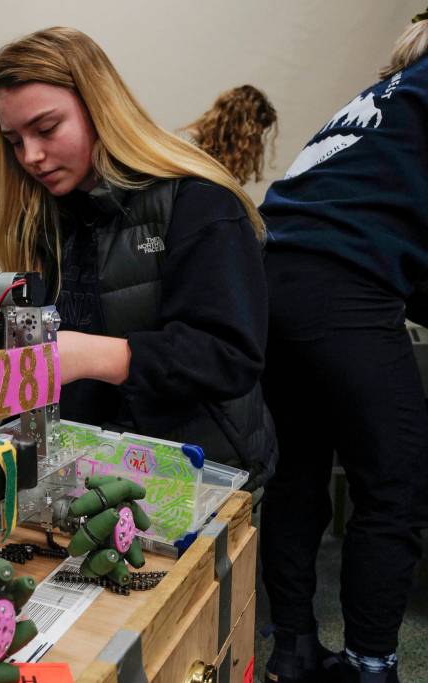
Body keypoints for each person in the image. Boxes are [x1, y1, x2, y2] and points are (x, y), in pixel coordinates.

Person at [0, 27, 277, 491]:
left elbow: (228, 357)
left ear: (100, 106)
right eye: (15, 141)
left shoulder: (198, 202)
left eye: (46, 129)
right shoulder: (45, 219)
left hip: (201, 477)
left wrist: (88, 355)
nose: (32, 156)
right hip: (92, 472)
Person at [258, 12, 428, 683]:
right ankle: (371, 666)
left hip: (271, 280)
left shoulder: (376, 103)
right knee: (394, 484)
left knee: (297, 475)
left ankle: (293, 648)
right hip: (341, 286)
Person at [182, 84, 278, 185]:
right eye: (253, 136)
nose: (254, 145)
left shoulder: (218, 152)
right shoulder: (188, 142)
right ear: (238, 127)